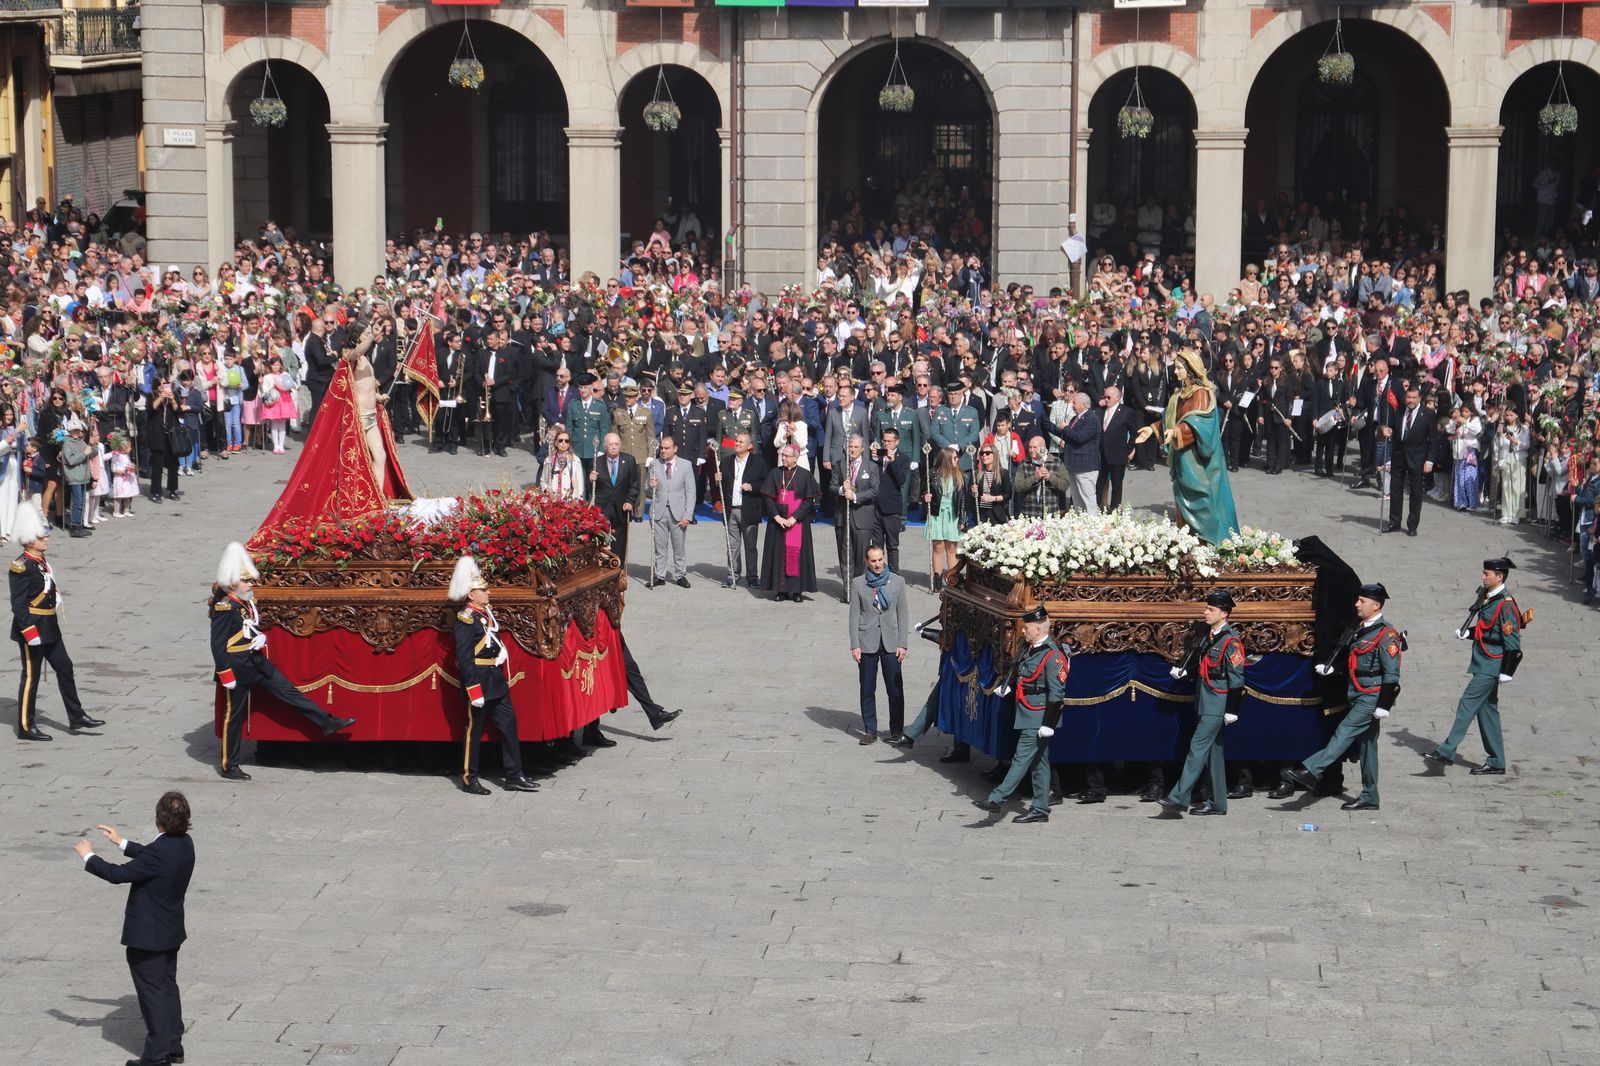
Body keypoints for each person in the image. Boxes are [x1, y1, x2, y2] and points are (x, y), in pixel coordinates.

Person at [210, 542, 355, 779]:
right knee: (233, 716)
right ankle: (230, 765)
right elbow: (217, 644)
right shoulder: (225, 607)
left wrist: (258, 638)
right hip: (237, 668)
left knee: (289, 692)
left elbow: (248, 627)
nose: (250, 584)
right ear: (232, 583)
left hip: (255, 661)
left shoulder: (245, 602)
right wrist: (225, 673)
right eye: (245, 580)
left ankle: (326, 722)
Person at [75, 791, 195, 1066]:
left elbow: (117, 874)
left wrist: (89, 857)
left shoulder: (158, 853)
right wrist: (122, 842)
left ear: (159, 820)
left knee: (152, 994)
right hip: (170, 930)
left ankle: (156, 1056)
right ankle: (174, 1045)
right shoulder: (185, 844)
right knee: (166, 987)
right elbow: (153, 856)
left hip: (147, 937)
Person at [1281, 583, 1400, 811]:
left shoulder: (1387, 635)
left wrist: (1384, 704)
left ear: (1376, 606)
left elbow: (1391, 674)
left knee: (1343, 733)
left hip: (1371, 696)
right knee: (1367, 746)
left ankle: (1311, 770)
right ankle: (1370, 795)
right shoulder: (1360, 628)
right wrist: (1333, 670)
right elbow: (1356, 662)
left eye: (1362, 601)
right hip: (1356, 691)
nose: (1357, 604)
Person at [449, 556, 539, 795]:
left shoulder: (485, 612)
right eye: (483, 590)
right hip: (478, 680)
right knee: (474, 731)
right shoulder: (465, 619)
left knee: (509, 726)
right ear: (471, 595)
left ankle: (514, 774)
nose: (488, 592)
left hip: (495, 679)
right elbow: (465, 658)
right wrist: (473, 688)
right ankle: (470, 777)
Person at [10, 501, 101, 740]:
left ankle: (76, 715)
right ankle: (26, 726)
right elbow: (18, 605)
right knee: (31, 676)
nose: (46, 539)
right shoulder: (20, 567)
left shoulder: (40, 562)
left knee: (65, 666)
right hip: (32, 628)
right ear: (30, 540)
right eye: (42, 536)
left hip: (49, 626)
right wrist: (28, 630)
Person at [1425, 557, 1524, 775]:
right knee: (1487, 712)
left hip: (1492, 664)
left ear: (1500, 576)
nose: (1483, 576)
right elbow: (1487, 630)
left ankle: (1447, 751)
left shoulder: (1505, 604)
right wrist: (1467, 633)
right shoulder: (1490, 598)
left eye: (1487, 573)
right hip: (1483, 660)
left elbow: (1512, 643)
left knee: (1467, 703)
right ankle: (1497, 761)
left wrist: (1508, 671)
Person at [973, 606, 1068, 824]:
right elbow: (1020, 669)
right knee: (1039, 762)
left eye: (1026, 628)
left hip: (1039, 715)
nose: (1023, 631)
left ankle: (996, 799)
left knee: (1021, 757)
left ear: (1038, 629)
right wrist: (1007, 685)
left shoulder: (1053, 657)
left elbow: (1057, 693)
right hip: (1026, 708)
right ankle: (1041, 809)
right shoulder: (1028, 646)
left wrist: (1049, 724)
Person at [1157, 590, 1245, 817]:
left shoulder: (1231, 642)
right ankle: (1218, 804)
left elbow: (1237, 679)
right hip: (1206, 701)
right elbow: (1204, 667)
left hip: (1217, 703)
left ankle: (1178, 797)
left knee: (1196, 749)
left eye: (1211, 609)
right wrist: (1184, 672)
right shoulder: (1210, 636)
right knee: (1214, 754)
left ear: (1224, 614)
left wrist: (1232, 709)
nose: (1205, 612)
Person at [1137, 350, 1239, 545]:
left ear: (1191, 370)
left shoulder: (1201, 393)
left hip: (1197, 458)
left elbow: (1200, 422)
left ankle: (1205, 540)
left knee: (1199, 495)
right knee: (1183, 494)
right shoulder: (1180, 394)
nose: (1175, 372)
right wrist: (1153, 429)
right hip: (1182, 454)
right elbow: (1171, 418)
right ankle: (1187, 538)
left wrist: (1177, 432)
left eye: (1179, 368)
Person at [849, 544, 908, 745]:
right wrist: (855, 645)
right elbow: (854, 616)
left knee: (895, 688)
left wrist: (903, 643)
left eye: (880, 559)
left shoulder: (898, 582)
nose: (877, 564)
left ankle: (897, 730)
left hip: (891, 642)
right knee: (867, 687)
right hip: (867, 642)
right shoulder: (858, 583)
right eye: (873, 561)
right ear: (867, 562)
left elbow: (903, 615)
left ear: (884, 559)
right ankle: (870, 730)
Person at [760, 443, 820, 602]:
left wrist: (794, 518)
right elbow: (768, 497)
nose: (783, 458)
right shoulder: (774, 473)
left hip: (797, 523)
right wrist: (777, 517)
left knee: (797, 556)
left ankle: (797, 590)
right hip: (778, 522)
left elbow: (808, 500)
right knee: (778, 555)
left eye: (786, 456)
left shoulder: (805, 475)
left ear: (796, 458)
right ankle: (781, 590)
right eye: (782, 455)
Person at [715, 431, 767, 588]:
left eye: (741, 442)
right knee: (732, 545)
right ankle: (733, 575)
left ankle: (752, 577)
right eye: (736, 441)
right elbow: (722, 488)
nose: (737, 444)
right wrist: (718, 481)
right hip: (731, 510)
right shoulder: (725, 461)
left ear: (750, 446)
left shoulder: (758, 462)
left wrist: (753, 487)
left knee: (750, 546)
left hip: (749, 509)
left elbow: (766, 484)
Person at [1383, 387, 1434, 537]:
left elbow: (1432, 440)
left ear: (1419, 398)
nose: (1410, 401)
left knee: (1415, 493)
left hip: (1417, 458)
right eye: (1408, 398)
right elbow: (1392, 428)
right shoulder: (1399, 410)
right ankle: (1394, 521)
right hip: (1399, 455)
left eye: (1414, 398)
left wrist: (1430, 460)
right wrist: (1387, 431)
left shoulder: (1428, 414)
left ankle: (1412, 525)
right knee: (1395, 489)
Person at [832, 433, 879, 584]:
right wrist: (841, 489)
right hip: (842, 517)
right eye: (850, 446)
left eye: (856, 447)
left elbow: (874, 490)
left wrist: (855, 496)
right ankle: (847, 591)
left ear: (862, 449)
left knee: (861, 557)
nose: (852, 450)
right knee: (845, 556)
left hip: (862, 518)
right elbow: (831, 487)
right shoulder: (839, 465)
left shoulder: (871, 466)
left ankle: (860, 588)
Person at [649, 434, 695, 588]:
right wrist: (650, 485)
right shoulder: (654, 465)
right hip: (659, 511)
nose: (663, 451)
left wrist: (688, 516)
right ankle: (660, 575)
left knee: (679, 547)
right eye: (661, 448)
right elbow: (647, 491)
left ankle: (680, 575)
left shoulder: (686, 465)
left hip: (678, 513)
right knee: (660, 547)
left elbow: (691, 492)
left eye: (667, 448)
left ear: (675, 449)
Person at [615, 634, 682, 730]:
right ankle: (591, 729)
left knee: (630, 669)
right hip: (595, 630)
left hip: (610, 630)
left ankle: (654, 714)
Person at [592, 432, 640, 566]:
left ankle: (618, 568)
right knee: (601, 540)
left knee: (619, 541)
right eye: (611, 444)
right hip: (603, 507)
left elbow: (634, 484)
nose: (614, 447)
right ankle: (601, 568)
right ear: (605, 446)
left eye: (617, 444)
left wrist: (630, 501)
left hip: (621, 507)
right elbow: (590, 488)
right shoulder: (597, 461)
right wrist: (590, 480)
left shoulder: (629, 460)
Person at [873, 426, 911, 571]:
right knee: (877, 545)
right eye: (884, 441)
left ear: (897, 442)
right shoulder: (877, 457)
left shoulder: (903, 459)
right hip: (876, 507)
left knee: (892, 545)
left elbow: (901, 480)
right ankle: (877, 571)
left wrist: (893, 461)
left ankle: (894, 574)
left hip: (891, 508)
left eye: (890, 441)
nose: (886, 444)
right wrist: (873, 458)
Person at [1096, 385, 1136, 511]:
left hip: (1118, 455)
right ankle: (1097, 508)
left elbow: (1135, 432)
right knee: (1099, 484)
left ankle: (1114, 511)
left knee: (1117, 485)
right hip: (1101, 454)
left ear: (1118, 398)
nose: (1106, 399)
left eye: (1109, 397)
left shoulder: (1126, 412)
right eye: (1105, 397)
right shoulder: (1100, 410)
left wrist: (1128, 449)